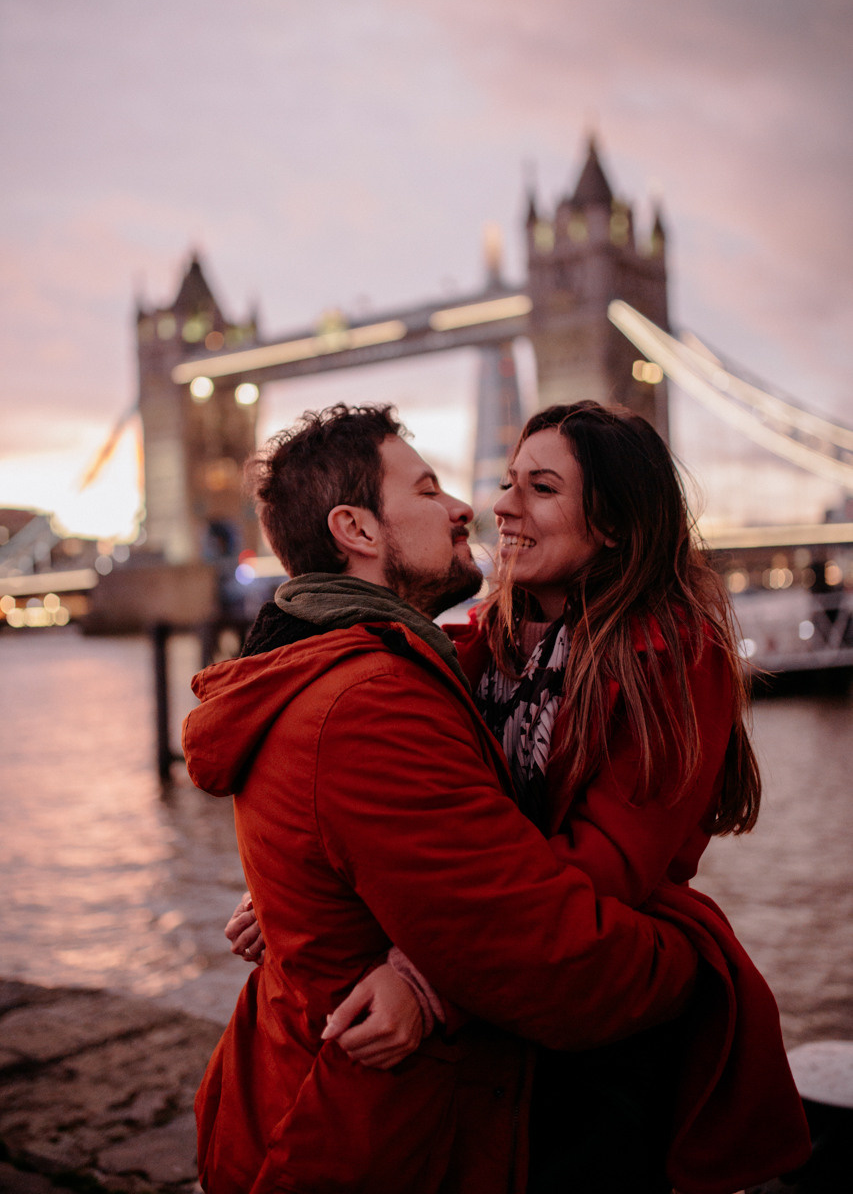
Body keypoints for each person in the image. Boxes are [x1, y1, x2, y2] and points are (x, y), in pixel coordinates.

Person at [229, 401, 812, 1193]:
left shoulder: (671, 658)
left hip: (597, 1022)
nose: (499, 506)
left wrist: (425, 979)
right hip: (508, 1018)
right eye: (507, 482)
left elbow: (604, 867)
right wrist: (300, 884)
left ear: (610, 524)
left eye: (540, 489)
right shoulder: (471, 648)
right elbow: (403, 817)